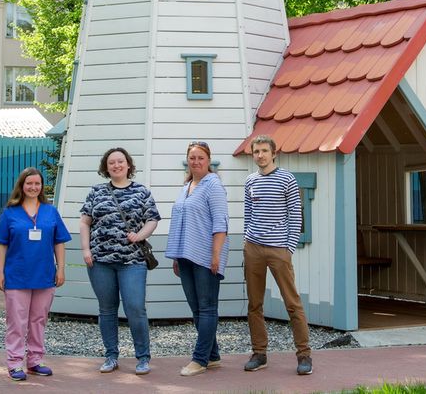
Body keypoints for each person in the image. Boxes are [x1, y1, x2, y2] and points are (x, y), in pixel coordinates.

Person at [81, 147, 161, 376]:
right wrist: (86, 249)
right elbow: (85, 222)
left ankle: (143, 358)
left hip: (132, 261)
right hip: (100, 261)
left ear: (128, 165)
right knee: (107, 310)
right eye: (112, 162)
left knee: (135, 308)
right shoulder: (96, 192)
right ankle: (111, 356)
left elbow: (152, 219)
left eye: (120, 161)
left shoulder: (141, 191)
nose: (116, 165)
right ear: (106, 167)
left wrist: (140, 235)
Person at [242, 135, 313, 375]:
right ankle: (259, 353)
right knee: (254, 304)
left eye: (264, 151)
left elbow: (296, 214)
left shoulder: (287, 179)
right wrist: (246, 241)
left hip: (278, 250)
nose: (260, 155)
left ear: (274, 154)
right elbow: (248, 213)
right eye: (256, 151)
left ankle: (304, 355)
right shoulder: (250, 180)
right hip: (253, 248)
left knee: (292, 303)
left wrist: (288, 248)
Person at [0, 167, 71, 381]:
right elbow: (1, 244)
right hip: (17, 275)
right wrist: (0, 273)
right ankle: (14, 362)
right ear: (22, 185)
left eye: (37, 183)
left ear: (42, 186)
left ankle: (35, 360)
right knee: (16, 321)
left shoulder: (50, 211)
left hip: (44, 275)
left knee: (38, 320)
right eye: (29, 183)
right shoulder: (10, 213)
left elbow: (59, 242)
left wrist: (61, 268)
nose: (33, 187)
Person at [165, 140, 229, 377]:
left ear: (208, 160)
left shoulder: (213, 185)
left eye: (201, 158)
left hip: (205, 256)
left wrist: (216, 255)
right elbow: (181, 222)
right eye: (192, 157)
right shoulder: (187, 186)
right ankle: (213, 356)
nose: (196, 161)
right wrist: (176, 256)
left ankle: (199, 359)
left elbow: (221, 222)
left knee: (207, 308)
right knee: (196, 308)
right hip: (185, 255)